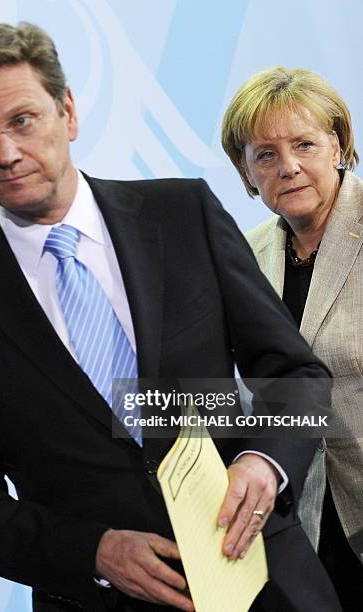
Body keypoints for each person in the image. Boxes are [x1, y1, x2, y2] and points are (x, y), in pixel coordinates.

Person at [0, 24, 341, 612]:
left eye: (22, 120)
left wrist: (264, 460)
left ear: (67, 111)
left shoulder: (183, 212)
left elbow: (298, 373)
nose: (6, 153)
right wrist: (91, 552)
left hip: (269, 579)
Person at [221, 65, 363, 611]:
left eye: (304, 144)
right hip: (298, 523)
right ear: (246, 173)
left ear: (339, 145)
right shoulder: (244, 253)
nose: (290, 167)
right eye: (265, 155)